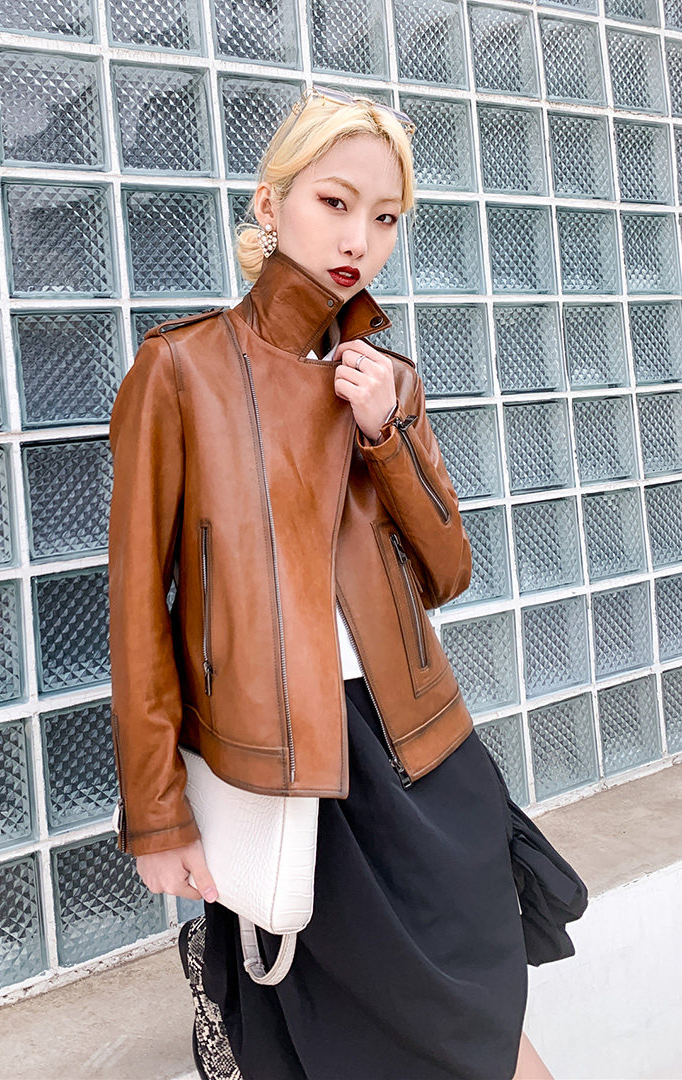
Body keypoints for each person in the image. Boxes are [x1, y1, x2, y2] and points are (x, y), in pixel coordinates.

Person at [107, 85, 587, 1080]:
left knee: (480, 1022)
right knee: (364, 1042)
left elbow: (446, 573)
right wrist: (157, 816)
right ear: (270, 202)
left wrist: (387, 436)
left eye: (386, 217)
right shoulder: (182, 369)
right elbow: (138, 613)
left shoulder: (388, 379)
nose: (359, 239)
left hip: (423, 753)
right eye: (335, 202)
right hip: (288, 766)